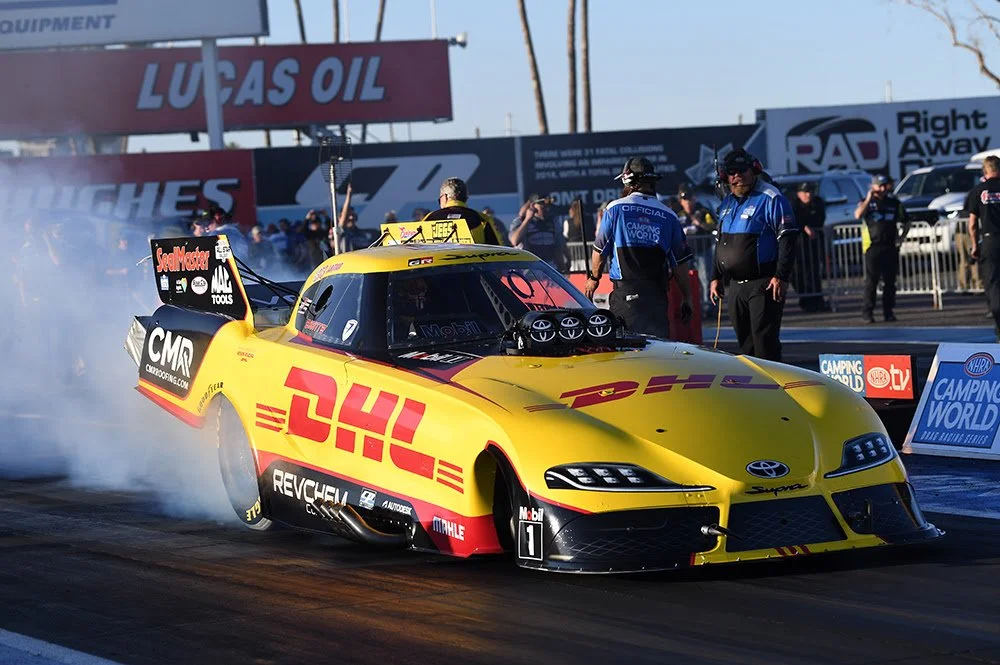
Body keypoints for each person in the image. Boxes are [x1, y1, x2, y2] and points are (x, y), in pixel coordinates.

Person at [584, 156, 694, 338]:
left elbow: (599, 251)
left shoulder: (615, 209)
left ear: (627, 181)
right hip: (657, 296)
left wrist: (594, 278)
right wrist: (687, 297)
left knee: (627, 348)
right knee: (657, 348)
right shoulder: (670, 216)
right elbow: (680, 263)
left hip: (626, 294)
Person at [709, 149, 799, 361]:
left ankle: (773, 382)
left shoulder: (771, 198)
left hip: (764, 283)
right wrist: (715, 276)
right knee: (745, 345)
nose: (737, 176)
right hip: (735, 286)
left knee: (764, 342)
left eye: (742, 170)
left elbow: (788, 238)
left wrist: (781, 276)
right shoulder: (727, 203)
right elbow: (720, 242)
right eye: (732, 172)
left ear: (754, 170)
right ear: (725, 176)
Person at [856, 174, 910, 323]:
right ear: (872, 187)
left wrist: (901, 237)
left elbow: (907, 221)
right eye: (879, 186)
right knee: (871, 282)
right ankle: (867, 312)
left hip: (890, 246)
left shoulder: (894, 203)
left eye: (885, 186)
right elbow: (858, 214)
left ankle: (888, 312)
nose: (882, 189)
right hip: (872, 247)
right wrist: (868, 198)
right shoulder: (866, 203)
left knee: (890, 282)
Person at [967, 156, 1000, 339]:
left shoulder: (978, 191)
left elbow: (972, 224)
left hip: (990, 240)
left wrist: (974, 246)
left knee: (993, 282)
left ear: (985, 171)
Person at [422, 177, 506, 245]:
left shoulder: (429, 218)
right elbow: (498, 250)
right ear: (465, 198)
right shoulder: (482, 219)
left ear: (445, 197)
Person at [790, 182, 831, 312]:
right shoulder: (794, 204)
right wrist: (804, 226)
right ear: (799, 194)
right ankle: (805, 299)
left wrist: (809, 225)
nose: (809, 194)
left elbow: (819, 219)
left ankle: (817, 300)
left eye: (810, 191)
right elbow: (792, 219)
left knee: (814, 273)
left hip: (814, 244)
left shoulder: (817, 203)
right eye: (805, 192)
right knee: (797, 274)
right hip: (798, 245)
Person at [509, 195, 571, 271]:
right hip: (528, 268)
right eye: (542, 205)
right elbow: (514, 241)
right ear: (533, 206)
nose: (546, 208)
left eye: (548, 206)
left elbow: (560, 244)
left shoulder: (553, 222)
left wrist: (568, 259)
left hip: (549, 266)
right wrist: (527, 219)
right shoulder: (520, 221)